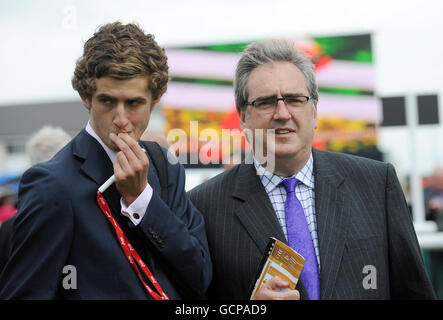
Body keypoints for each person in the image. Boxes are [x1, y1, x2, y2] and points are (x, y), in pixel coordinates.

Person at [188, 39, 435, 300]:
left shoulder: (375, 184)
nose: (282, 113)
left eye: (295, 100)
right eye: (266, 102)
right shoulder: (203, 206)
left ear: (315, 111)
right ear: (243, 117)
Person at [0, 22, 212, 299]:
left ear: (156, 99)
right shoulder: (52, 184)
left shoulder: (162, 163)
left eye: (134, 103)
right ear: (86, 97)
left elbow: (199, 277)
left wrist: (141, 200)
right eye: (108, 101)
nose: (121, 119)